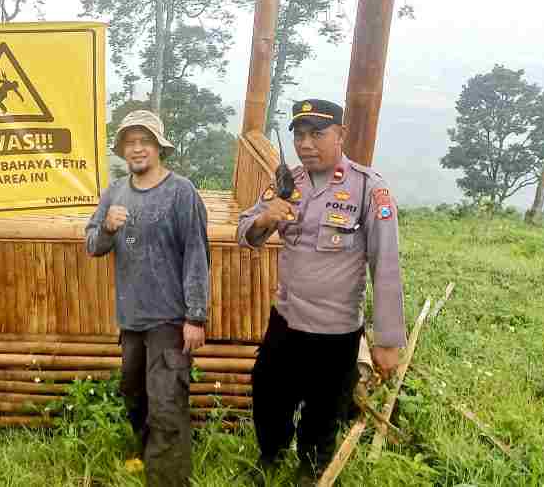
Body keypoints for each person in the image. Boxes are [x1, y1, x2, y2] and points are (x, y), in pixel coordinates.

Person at [237, 99, 406, 486]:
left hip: (336, 330)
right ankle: (271, 454)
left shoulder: (368, 188)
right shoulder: (286, 184)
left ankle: (311, 468)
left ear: (340, 135)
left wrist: (388, 340)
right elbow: (245, 231)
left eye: (317, 133)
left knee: (324, 407)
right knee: (269, 392)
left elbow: (387, 266)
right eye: (299, 134)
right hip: (287, 319)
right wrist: (266, 217)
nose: (306, 143)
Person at [85, 110, 211, 487]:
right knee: (134, 395)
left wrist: (196, 316)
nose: (137, 148)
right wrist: (107, 227)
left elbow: (197, 254)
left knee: (167, 402)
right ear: (123, 149)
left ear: (159, 147)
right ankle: (146, 455)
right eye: (130, 142)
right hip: (131, 319)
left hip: (170, 320)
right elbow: (92, 244)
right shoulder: (116, 192)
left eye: (145, 141)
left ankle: (168, 479)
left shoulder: (181, 192)